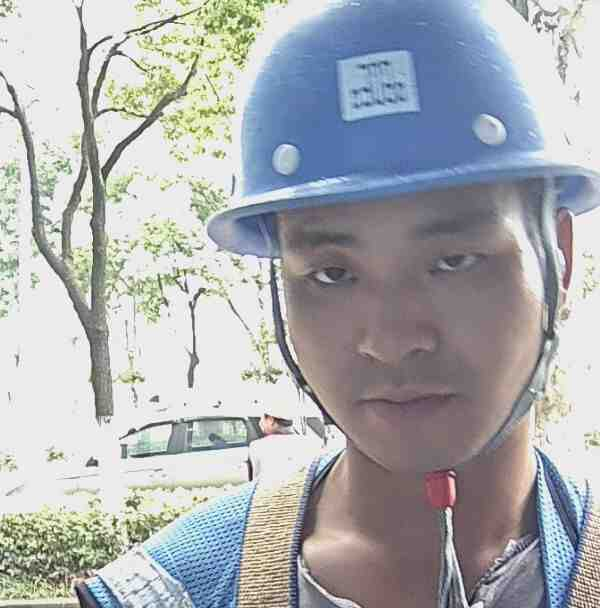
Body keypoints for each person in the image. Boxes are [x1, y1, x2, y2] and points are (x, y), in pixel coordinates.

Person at [75, 1, 600, 606]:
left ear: (560, 258)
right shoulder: (177, 589)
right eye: (332, 274)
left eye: (454, 261)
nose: (391, 340)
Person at [248, 403, 320, 480]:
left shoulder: (257, 446)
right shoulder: (310, 442)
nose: (260, 423)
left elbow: (256, 480)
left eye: (261, 418)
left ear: (271, 420)